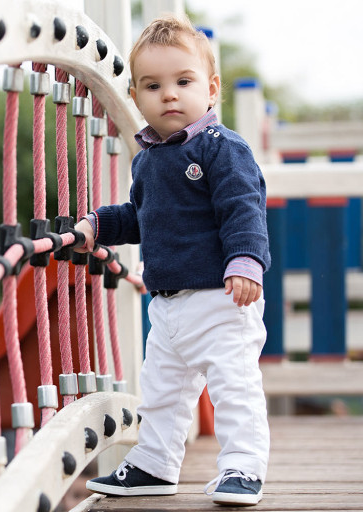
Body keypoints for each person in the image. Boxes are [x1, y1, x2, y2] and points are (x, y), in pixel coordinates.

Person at [74, 15, 270, 507]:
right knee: (162, 391)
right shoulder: (148, 159)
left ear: (211, 88)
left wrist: (246, 262)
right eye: (152, 86)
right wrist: (98, 224)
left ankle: (243, 468)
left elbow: (243, 209)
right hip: (168, 306)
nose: (169, 95)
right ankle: (155, 464)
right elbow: (143, 217)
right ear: (136, 97)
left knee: (233, 386)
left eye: (183, 82)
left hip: (221, 298)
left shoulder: (223, 149)